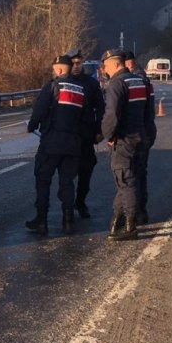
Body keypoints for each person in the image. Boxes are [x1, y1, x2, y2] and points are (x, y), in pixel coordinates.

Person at [25, 55, 85, 236]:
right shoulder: (80, 90)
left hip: (52, 143)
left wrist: (31, 125)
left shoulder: (52, 87)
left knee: (43, 180)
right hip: (73, 143)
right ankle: (68, 222)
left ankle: (41, 221)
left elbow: (40, 111)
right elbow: (85, 116)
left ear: (58, 69)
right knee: (67, 183)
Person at [100, 49, 147, 241]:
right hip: (139, 136)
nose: (105, 70)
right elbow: (147, 110)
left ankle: (130, 226)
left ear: (115, 64)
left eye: (106, 66)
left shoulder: (117, 83)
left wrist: (108, 135)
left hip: (123, 139)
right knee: (128, 179)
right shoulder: (139, 80)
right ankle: (116, 221)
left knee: (125, 181)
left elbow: (112, 114)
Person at [68, 49, 105, 218]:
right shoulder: (61, 83)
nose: (76, 66)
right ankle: (67, 209)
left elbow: (101, 109)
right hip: (67, 137)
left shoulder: (91, 84)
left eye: (79, 63)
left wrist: (99, 131)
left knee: (86, 171)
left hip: (86, 137)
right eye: (73, 63)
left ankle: (80, 202)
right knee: (66, 175)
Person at [124, 50, 156, 225]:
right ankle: (141, 211)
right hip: (146, 131)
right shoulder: (144, 79)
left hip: (136, 133)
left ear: (129, 63)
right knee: (141, 173)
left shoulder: (134, 81)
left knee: (132, 174)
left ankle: (134, 213)